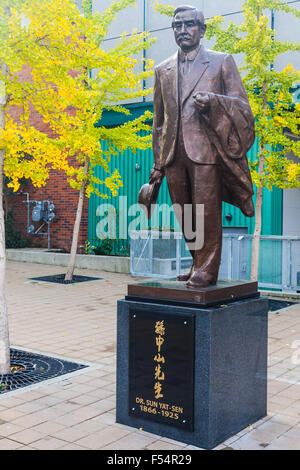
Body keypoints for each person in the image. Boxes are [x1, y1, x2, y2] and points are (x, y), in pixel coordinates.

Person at [148, 5, 255, 288]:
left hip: (206, 153)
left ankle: (208, 268)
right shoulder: (162, 70)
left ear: (202, 29)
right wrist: (158, 163)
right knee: (185, 214)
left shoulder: (221, 62)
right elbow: (159, 123)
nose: (182, 31)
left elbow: (242, 107)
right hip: (173, 156)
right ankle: (197, 261)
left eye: (189, 25)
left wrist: (214, 103)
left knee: (206, 212)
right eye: (177, 26)